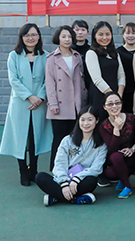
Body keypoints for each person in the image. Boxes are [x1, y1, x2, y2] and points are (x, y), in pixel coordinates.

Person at [0, 23, 52, 186]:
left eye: (34, 34)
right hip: (21, 103)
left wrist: (40, 97)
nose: (31, 38)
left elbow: (48, 80)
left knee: (35, 137)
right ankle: (23, 170)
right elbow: (13, 80)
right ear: (22, 38)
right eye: (27, 35)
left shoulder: (46, 56)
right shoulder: (14, 56)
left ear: (39, 36)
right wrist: (29, 96)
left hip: (39, 103)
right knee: (20, 137)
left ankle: (33, 169)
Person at [34, 106, 107, 206]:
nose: (86, 123)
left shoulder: (101, 145)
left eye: (90, 120)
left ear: (97, 120)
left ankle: (56, 197)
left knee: (92, 180)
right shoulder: (67, 140)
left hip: (81, 180)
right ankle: (76, 199)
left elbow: (96, 168)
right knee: (40, 177)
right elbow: (60, 163)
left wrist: (77, 179)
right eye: (83, 120)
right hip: (64, 178)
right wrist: (64, 184)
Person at [45, 25, 88, 171]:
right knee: (59, 138)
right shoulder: (51, 58)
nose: (67, 39)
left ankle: (72, 168)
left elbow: (81, 81)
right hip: (59, 104)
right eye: (63, 36)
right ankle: (55, 169)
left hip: (76, 104)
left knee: (74, 138)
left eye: (69, 36)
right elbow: (50, 83)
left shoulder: (77, 56)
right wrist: (53, 104)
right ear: (58, 38)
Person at [98, 92, 135, 198]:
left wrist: (132, 149)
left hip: (132, 156)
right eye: (110, 104)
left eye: (117, 103)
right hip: (115, 158)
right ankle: (124, 180)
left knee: (120, 157)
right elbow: (112, 149)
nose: (114, 106)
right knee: (111, 167)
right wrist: (116, 129)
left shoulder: (132, 118)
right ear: (104, 107)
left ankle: (127, 186)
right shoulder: (103, 126)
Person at [84, 21, 125, 118]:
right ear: (94, 36)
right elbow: (97, 79)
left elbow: (121, 75)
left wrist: (119, 95)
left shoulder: (114, 53)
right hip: (100, 95)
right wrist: (111, 96)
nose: (104, 37)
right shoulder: (91, 53)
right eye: (101, 34)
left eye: (107, 34)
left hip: (116, 97)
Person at [116, 22, 135, 114]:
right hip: (124, 91)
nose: (130, 36)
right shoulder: (117, 52)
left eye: (133, 33)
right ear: (123, 35)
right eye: (127, 33)